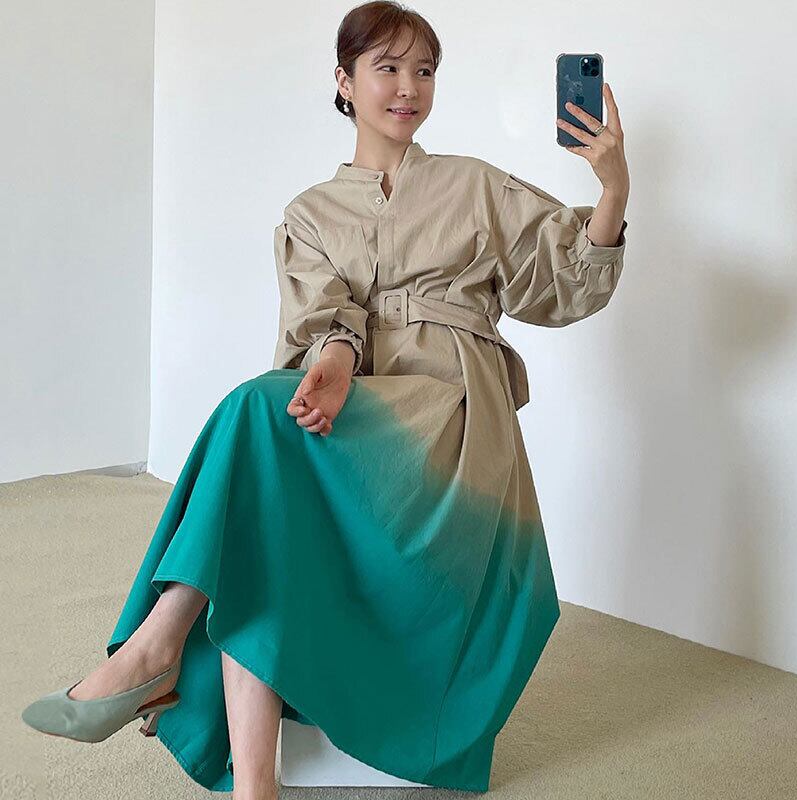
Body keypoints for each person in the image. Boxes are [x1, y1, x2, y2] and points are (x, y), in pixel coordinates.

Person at [20, 2, 630, 798]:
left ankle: (154, 646)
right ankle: (253, 782)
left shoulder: (476, 185)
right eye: (388, 67)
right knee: (263, 489)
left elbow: (566, 285)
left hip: (451, 425)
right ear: (344, 81)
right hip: (354, 418)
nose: (408, 87)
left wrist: (613, 187)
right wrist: (338, 358)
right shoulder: (310, 214)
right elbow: (322, 320)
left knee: (252, 421)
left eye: (424, 71)